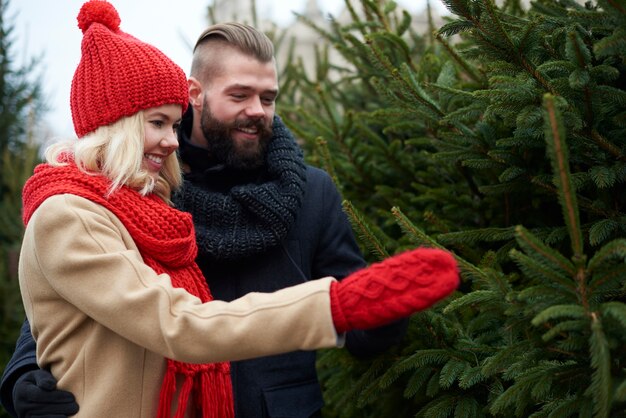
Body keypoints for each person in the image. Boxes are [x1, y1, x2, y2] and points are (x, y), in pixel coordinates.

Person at [0, 7, 460, 418]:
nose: (258, 111)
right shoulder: (147, 192)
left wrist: (385, 305)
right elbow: (80, 297)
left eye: (269, 97)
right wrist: (23, 372)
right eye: (240, 95)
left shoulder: (310, 191)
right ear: (195, 93)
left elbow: (358, 305)